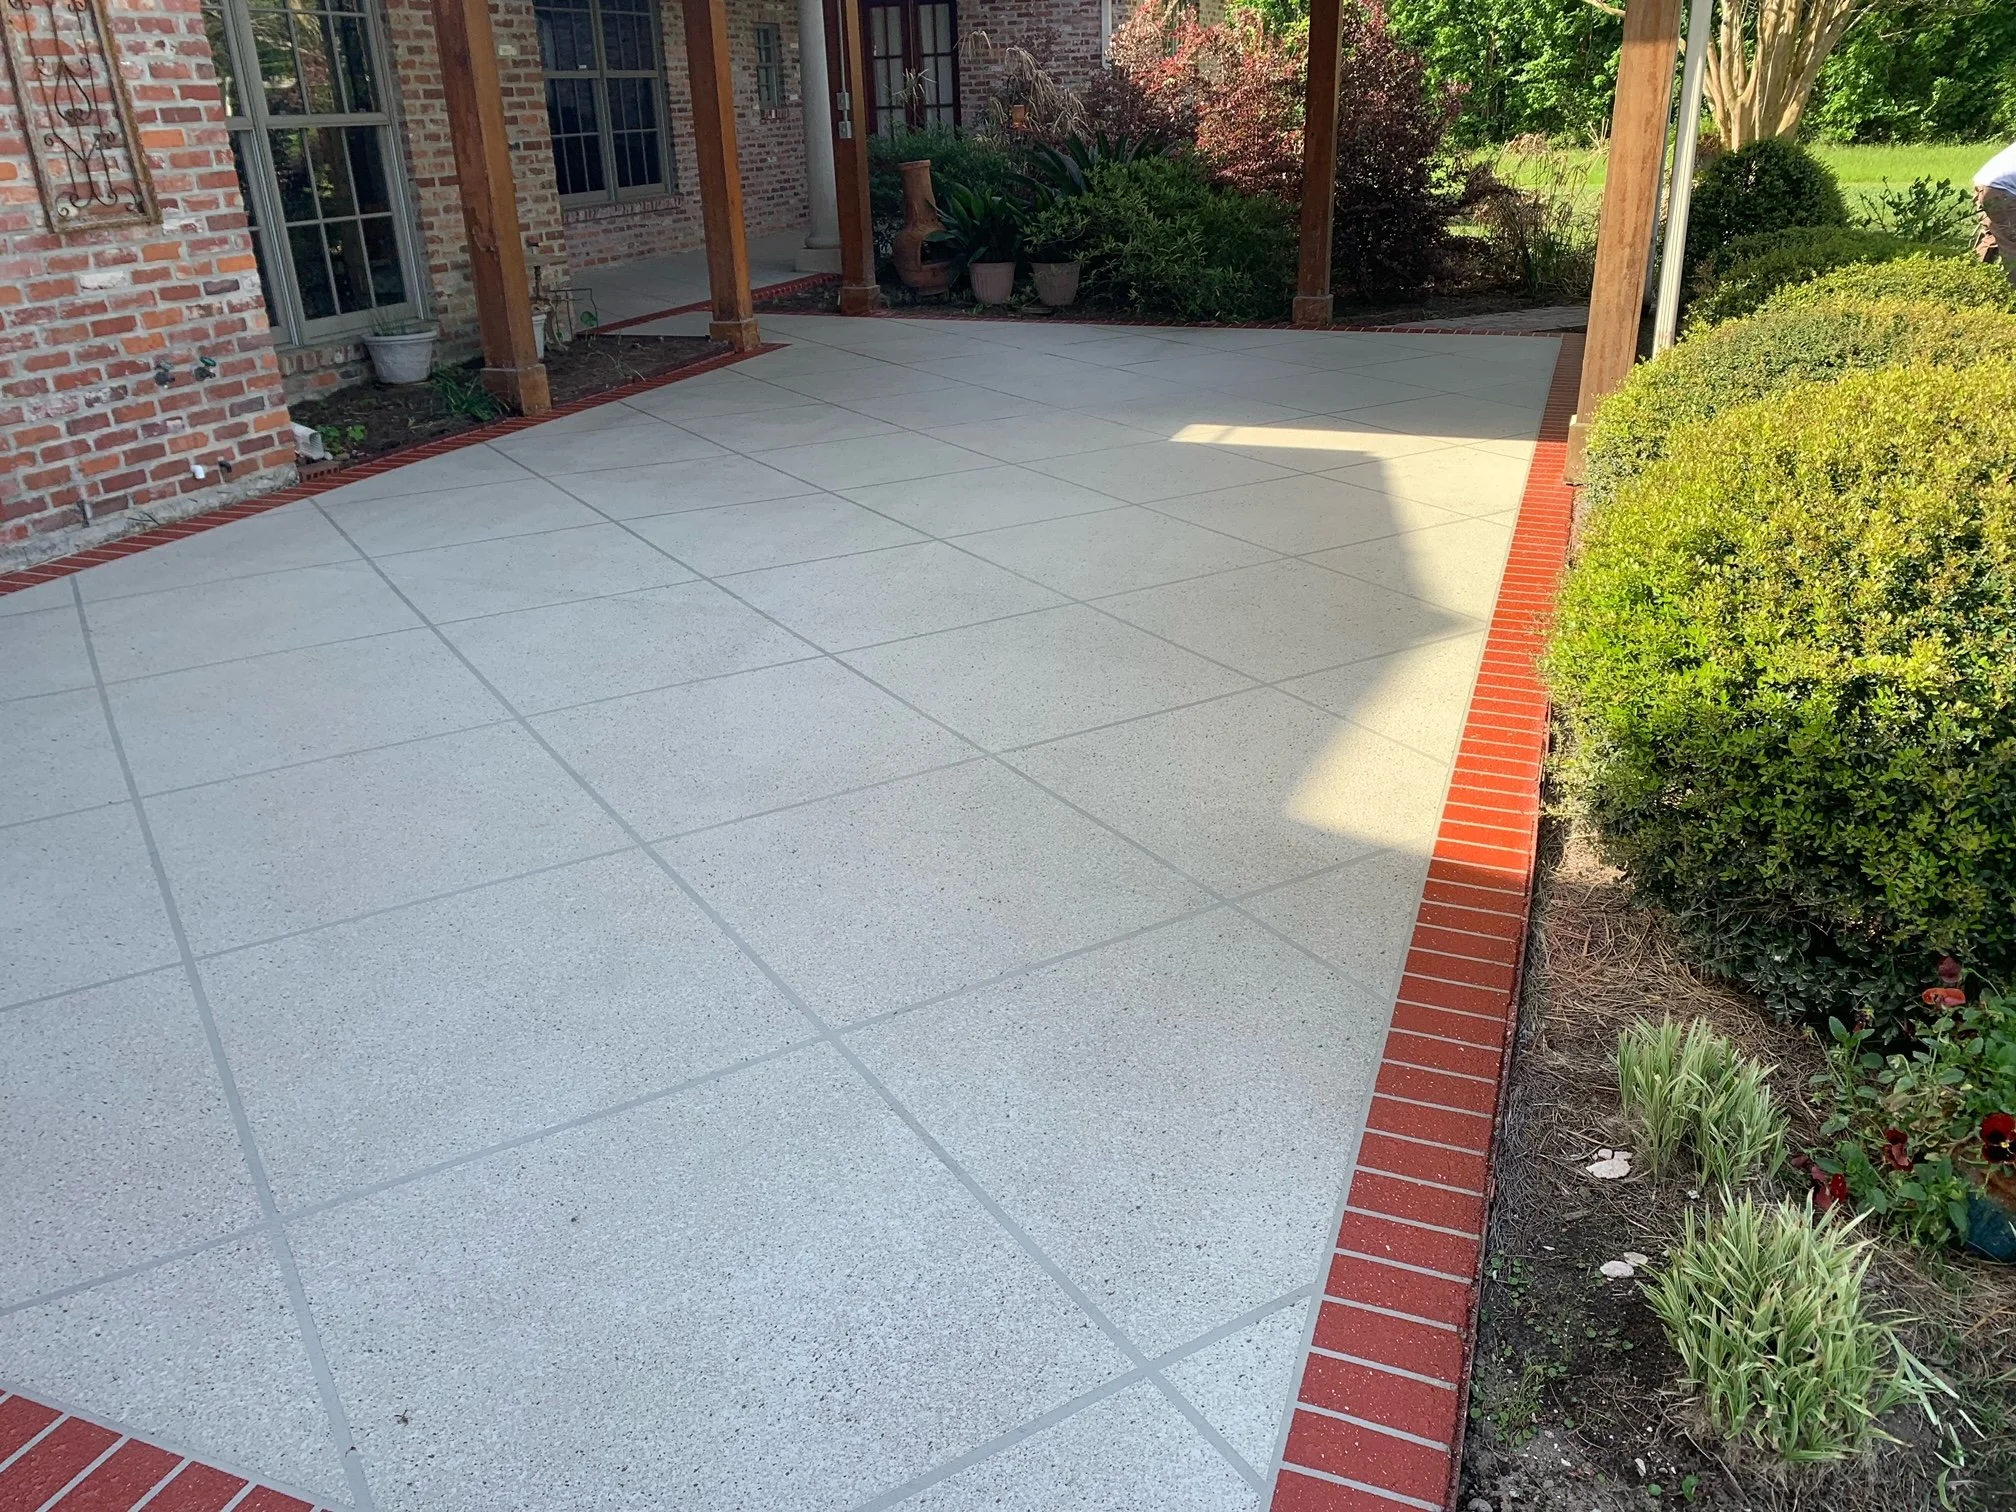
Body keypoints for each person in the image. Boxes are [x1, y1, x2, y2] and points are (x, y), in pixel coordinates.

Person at [1975, 139, 2016, 286]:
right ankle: (2012, 298)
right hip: (2001, 190)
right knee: (2013, 242)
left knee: (1993, 238)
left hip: (1986, 184)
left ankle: (1972, 283)